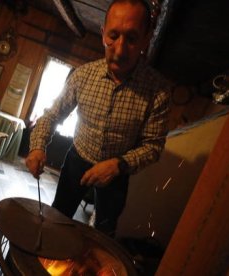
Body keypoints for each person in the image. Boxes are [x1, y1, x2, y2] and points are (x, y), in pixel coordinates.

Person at [26, 0, 172, 237]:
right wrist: (36, 147)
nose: (120, 49)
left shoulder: (158, 91)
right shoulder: (83, 75)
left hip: (117, 172)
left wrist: (119, 165)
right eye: (113, 36)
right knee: (58, 216)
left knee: (104, 232)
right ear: (103, 33)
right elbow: (51, 115)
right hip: (76, 160)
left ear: (146, 39)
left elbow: (153, 147)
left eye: (132, 39)